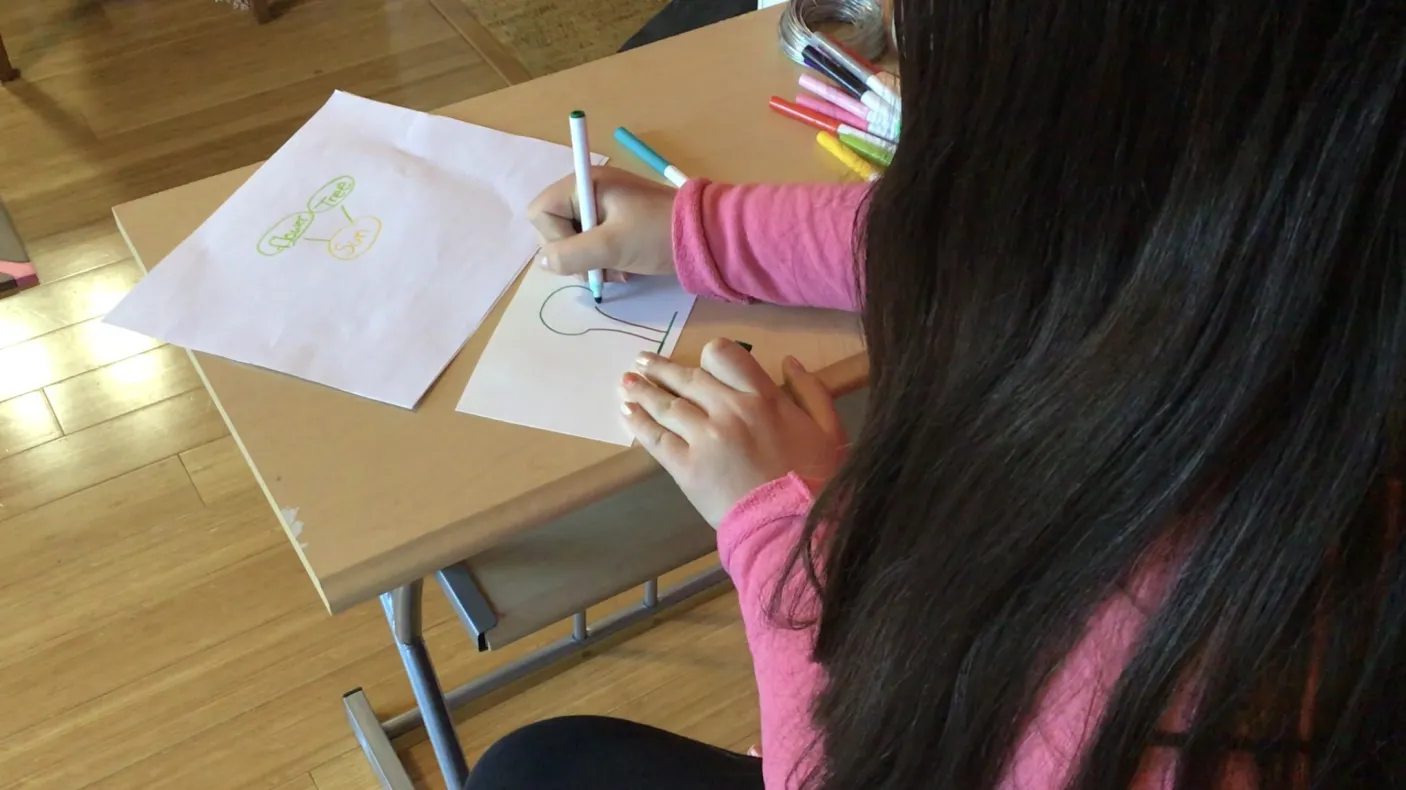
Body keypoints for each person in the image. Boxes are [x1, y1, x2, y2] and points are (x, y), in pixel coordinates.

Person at [465, 1, 1405, 788]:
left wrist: (780, 530)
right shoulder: (1313, 274)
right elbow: (1016, 242)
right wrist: (696, 229)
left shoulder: (1174, 671)